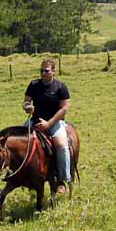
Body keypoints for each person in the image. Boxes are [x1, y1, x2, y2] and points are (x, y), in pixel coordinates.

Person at [22, 58, 72, 194]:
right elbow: (25, 101)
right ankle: (18, 173)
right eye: (41, 70)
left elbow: (64, 108)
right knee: (18, 139)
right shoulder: (33, 84)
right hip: (35, 121)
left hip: (54, 122)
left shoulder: (60, 87)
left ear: (53, 72)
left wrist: (49, 123)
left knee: (61, 145)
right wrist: (27, 107)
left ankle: (62, 178)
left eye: (46, 71)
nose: (43, 73)